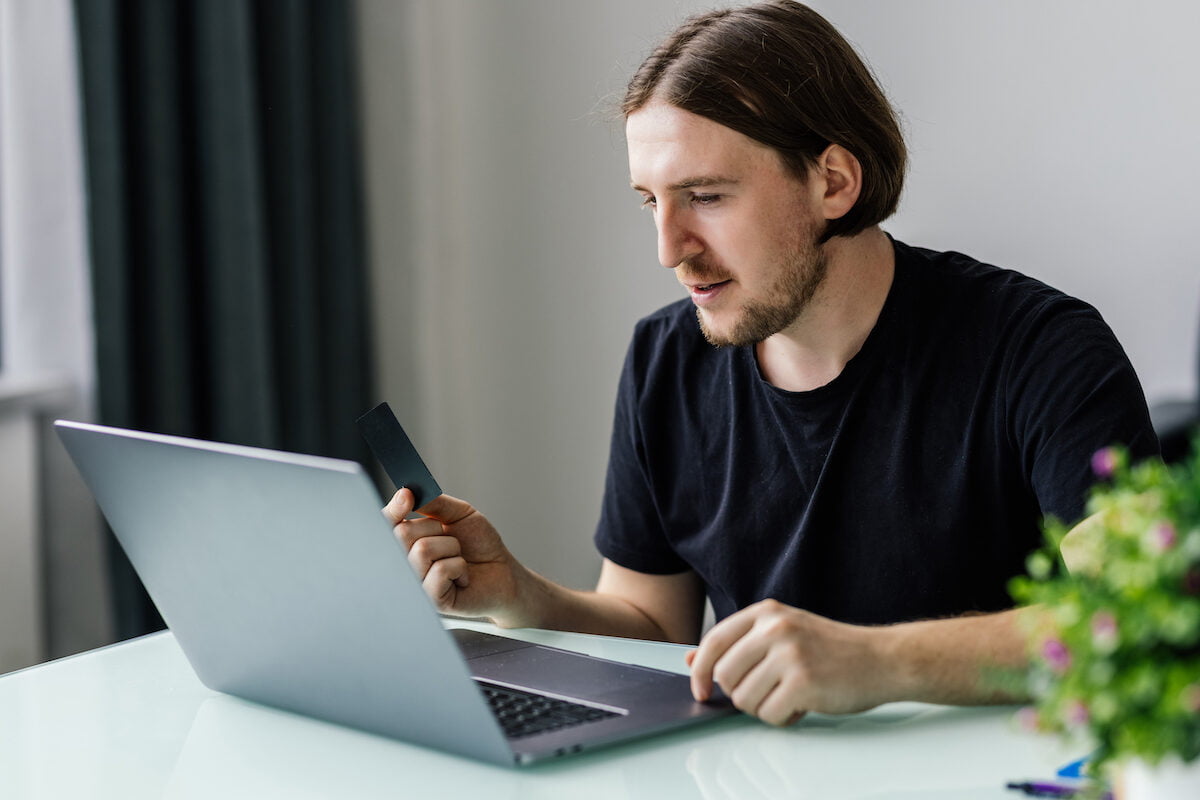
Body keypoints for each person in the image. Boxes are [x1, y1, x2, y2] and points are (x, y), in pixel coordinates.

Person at [384, 0, 1158, 726]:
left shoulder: (1043, 350)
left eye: (706, 196)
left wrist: (878, 661)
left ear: (832, 181)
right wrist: (518, 594)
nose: (669, 249)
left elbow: (1136, 617)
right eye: (650, 201)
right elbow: (654, 624)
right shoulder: (665, 361)